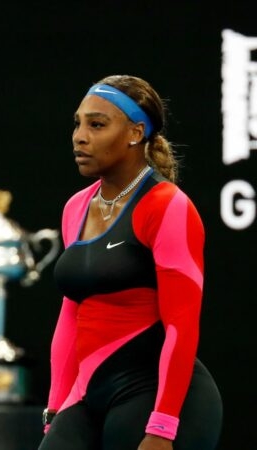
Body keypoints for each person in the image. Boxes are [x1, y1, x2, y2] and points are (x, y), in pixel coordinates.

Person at [38, 75, 223, 450]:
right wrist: (55, 411)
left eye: (97, 124)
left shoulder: (167, 206)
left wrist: (163, 426)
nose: (79, 136)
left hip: (155, 394)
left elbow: (181, 324)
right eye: (78, 122)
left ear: (135, 133)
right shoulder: (76, 207)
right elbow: (71, 314)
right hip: (89, 395)